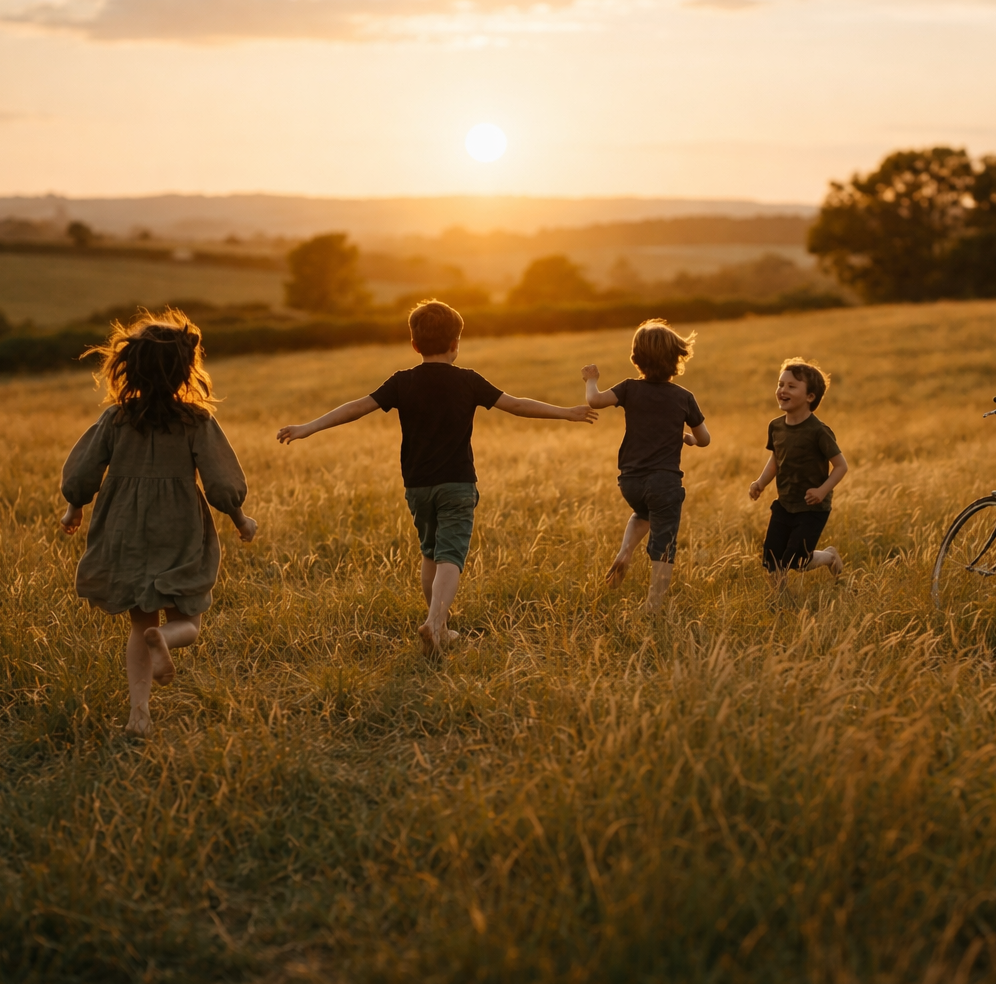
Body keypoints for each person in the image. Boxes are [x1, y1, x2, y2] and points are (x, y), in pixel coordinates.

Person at [276, 299, 597, 654]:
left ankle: (440, 628)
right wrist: (566, 413)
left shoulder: (402, 382)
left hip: (417, 486)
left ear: (414, 345)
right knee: (451, 556)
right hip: (457, 483)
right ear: (455, 344)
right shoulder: (468, 381)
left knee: (430, 553)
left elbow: (355, 408)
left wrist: (309, 427)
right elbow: (517, 405)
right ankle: (434, 623)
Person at [60, 309, 257, 738]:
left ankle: (139, 714)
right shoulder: (196, 421)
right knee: (187, 617)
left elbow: (83, 471)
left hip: (124, 525)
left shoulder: (116, 418)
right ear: (187, 369)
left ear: (130, 367)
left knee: (140, 623)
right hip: (179, 524)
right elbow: (222, 482)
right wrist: (241, 519)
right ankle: (169, 638)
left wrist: (74, 507)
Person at [582, 319, 710, 610]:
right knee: (663, 544)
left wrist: (591, 378)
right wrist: (689, 439)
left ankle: (625, 553)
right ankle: (654, 605)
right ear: (677, 358)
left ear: (636, 358)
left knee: (642, 513)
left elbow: (594, 400)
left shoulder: (629, 389)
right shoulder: (684, 397)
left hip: (630, 482)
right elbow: (705, 440)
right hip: (664, 483)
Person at [748, 358, 847, 589]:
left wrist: (822, 491)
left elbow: (841, 466)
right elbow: (776, 459)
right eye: (780, 384)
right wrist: (760, 483)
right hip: (785, 502)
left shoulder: (819, 431)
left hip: (812, 507)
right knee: (772, 556)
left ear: (810, 397)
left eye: (791, 386)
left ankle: (830, 556)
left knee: (797, 560)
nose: (782, 390)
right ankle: (780, 599)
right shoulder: (776, 426)